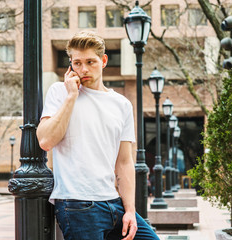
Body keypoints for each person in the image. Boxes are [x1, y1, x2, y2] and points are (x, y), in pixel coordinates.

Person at [37, 31, 159, 240]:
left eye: (90, 62)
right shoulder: (60, 92)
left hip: (114, 202)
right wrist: (72, 96)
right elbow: (46, 141)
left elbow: (124, 161)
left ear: (103, 61)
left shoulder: (121, 104)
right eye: (77, 63)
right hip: (77, 204)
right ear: (70, 64)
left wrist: (130, 210)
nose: (83, 69)